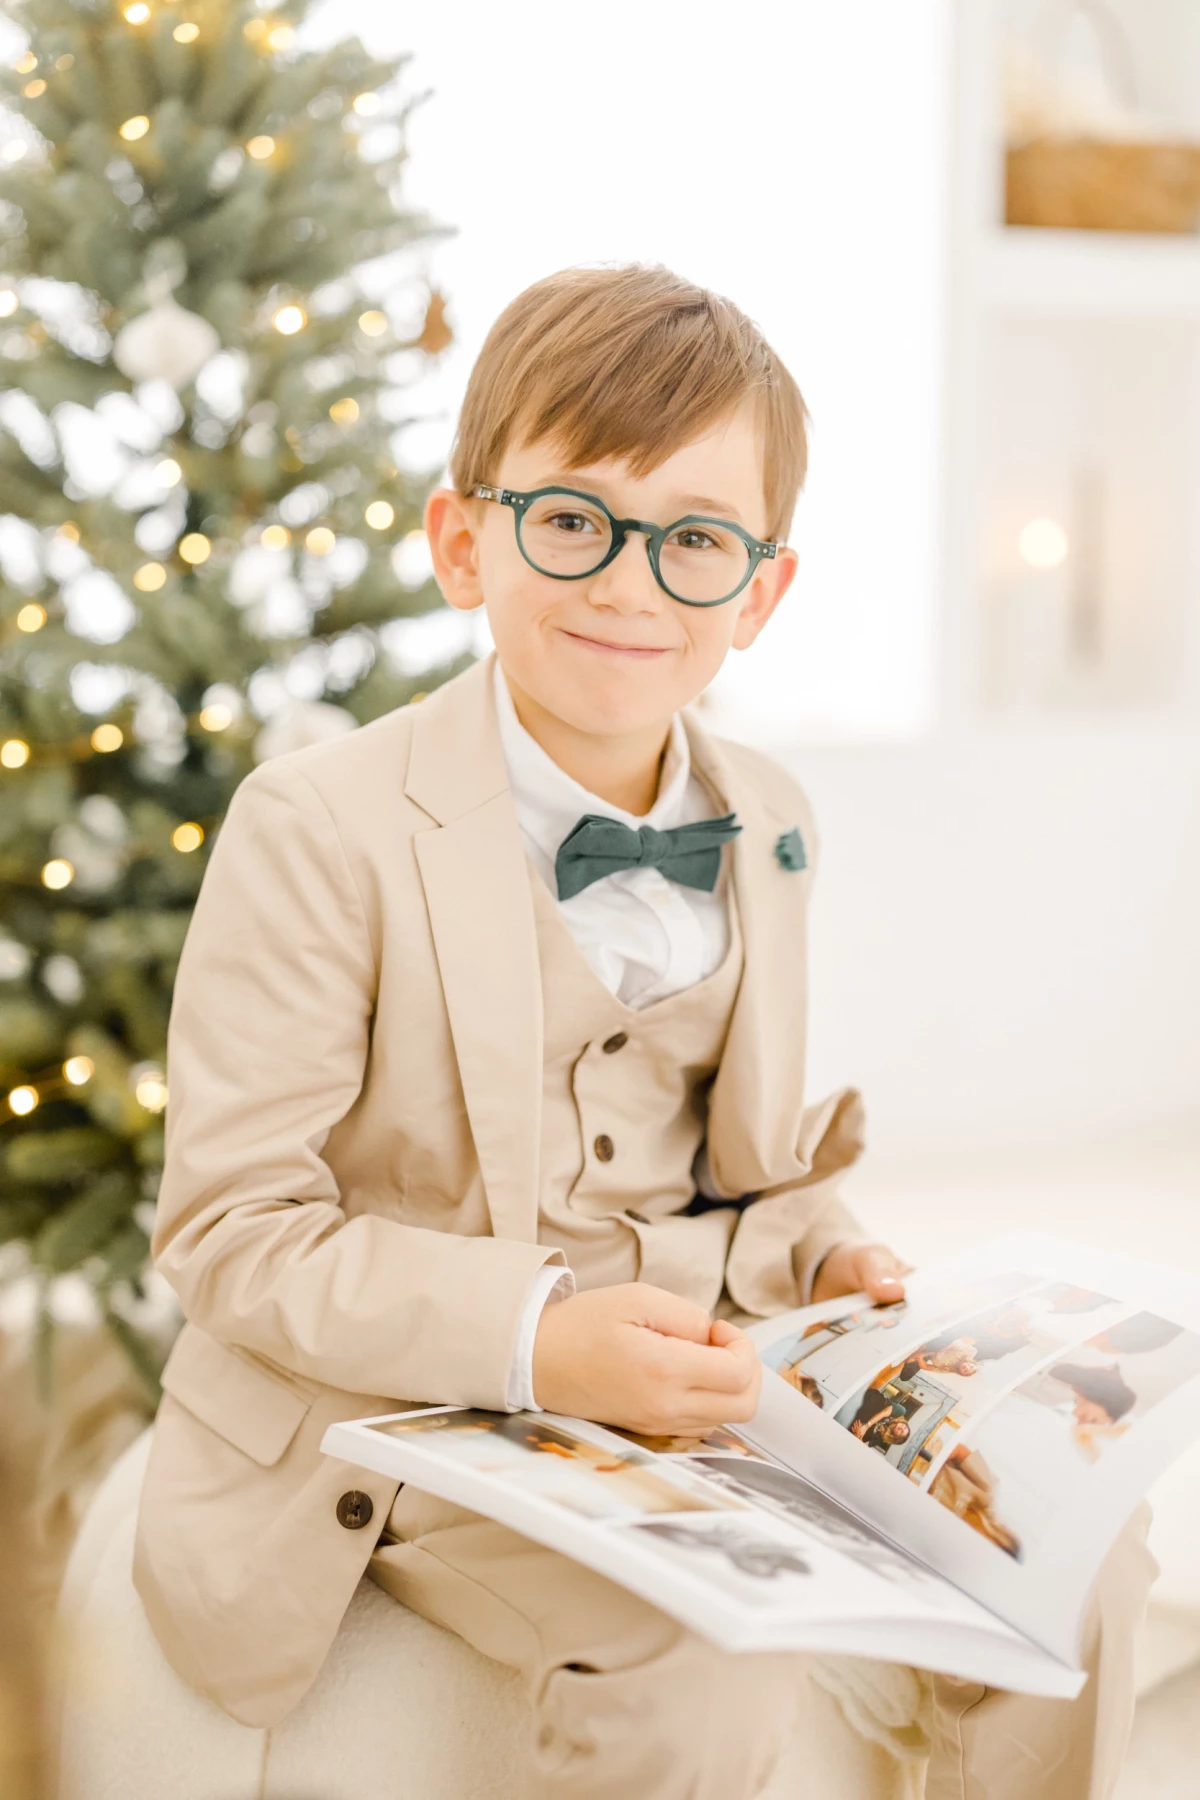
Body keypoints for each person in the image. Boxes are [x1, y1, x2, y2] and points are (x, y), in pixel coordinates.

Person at [133, 266, 1154, 1800]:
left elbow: (736, 1157)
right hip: (423, 1404)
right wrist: (539, 1339)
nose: (629, 586)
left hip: (707, 1366)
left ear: (760, 592)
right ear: (463, 542)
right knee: (698, 1649)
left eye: (693, 540)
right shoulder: (317, 826)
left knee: (1077, 1546)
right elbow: (230, 1232)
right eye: (573, 520)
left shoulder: (771, 818)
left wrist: (828, 1254)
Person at [849, 1388, 912, 1454]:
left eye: (901, 1432)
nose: (902, 1428)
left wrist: (858, 1436)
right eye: (905, 1427)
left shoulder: (880, 1439)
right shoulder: (900, 1412)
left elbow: (863, 1446)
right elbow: (885, 1412)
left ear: (895, 1438)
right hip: (867, 1399)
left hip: (854, 1417)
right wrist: (866, 1426)